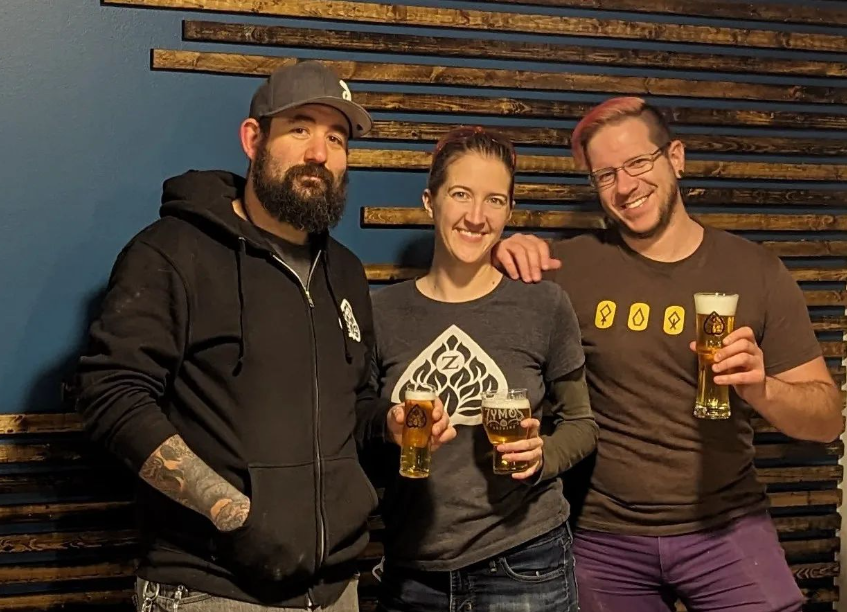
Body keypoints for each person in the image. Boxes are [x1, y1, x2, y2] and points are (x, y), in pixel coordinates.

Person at [71, 60, 454, 612]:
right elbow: (111, 398)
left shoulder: (343, 271)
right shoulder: (172, 253)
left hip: (336, 589)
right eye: (300, 128)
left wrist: (388, 425)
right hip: (210, 590)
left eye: (336, 138)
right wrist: (232, 511)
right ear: (254, 139)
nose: (319, 153)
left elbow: (355, 404)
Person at [492, 96, 843, 612]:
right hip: (602, 535)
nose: (626, 186)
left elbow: (828, 420)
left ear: (675, 157)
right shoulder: (570, 265)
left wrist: (762, 389)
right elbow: (481, 296)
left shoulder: (756, 270)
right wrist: (502, 248)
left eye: (638, 162)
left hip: (726, 527)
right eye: (605, 174)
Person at [370, 127, 598, 612]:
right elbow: (357, 433)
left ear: (509, 212)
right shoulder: (381, 312)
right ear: (430, 202)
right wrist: (388, 430)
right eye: (460, 195)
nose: (477, 216)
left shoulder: (544, 305)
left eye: (494, 200)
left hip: (525, 560)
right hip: (413, 568)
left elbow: (582, 425)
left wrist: (543, 457)